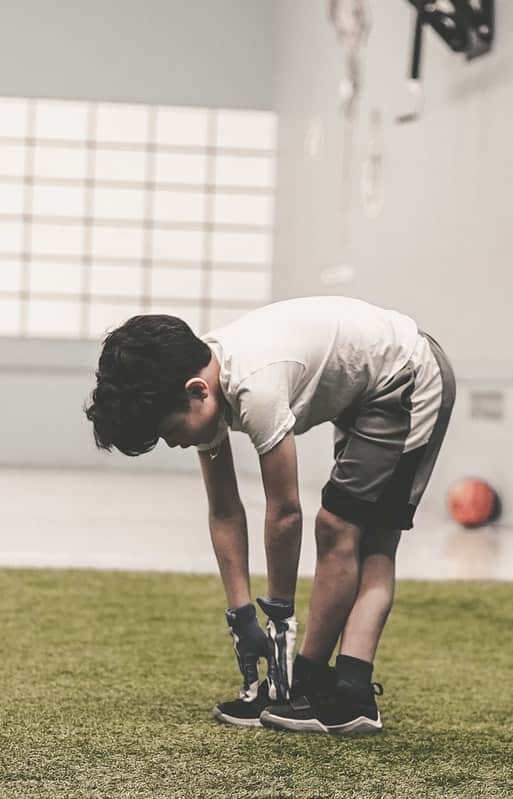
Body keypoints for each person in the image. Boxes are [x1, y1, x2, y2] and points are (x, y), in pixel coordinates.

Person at [85, 296, 455, 735]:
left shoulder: (254, 387)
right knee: (351, 529)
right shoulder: (198, 377)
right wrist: (242, 615)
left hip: (408, 375)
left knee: (351, 530)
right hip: (364, 393)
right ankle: (313, 687)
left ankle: (336, 690)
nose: (173, 444)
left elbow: (285, 512)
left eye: (170, 432)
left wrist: (280, 618)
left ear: (197, 392)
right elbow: (224, 510)